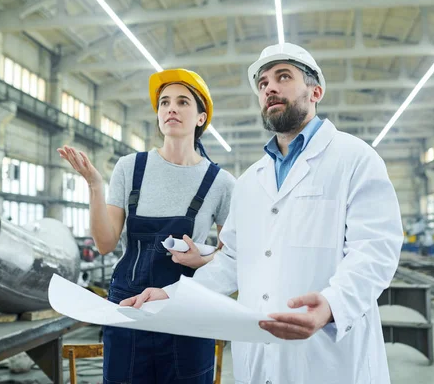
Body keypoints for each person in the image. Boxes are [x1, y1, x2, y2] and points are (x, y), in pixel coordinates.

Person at [121, 43, 404, 384]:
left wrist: (333, 304)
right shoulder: (251, 181)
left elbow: (375, 249)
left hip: (330, 356)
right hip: (258, 355)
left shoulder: (355, 158)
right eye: (263, 83)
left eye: (283, 77)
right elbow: (233, 262)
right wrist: (171, 293)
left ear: (316, 91)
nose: (270, 87)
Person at [57, 68, 236, 384]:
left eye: (182, 102)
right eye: (164, 102)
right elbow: (105, 243)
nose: (171, 108)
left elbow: (230, 257)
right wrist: (96, 186)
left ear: (200, 117)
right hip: (128, 307)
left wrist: (201, 259)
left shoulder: (221, 184)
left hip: (186, 310)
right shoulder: (129, 168)